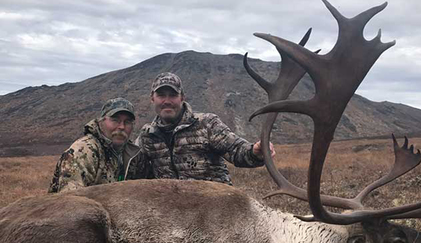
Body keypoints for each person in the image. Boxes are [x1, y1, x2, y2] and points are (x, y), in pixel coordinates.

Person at [136, 72, 275, 185]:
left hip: (216, 207)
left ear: (182, 97)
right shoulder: (147, 136)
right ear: (152, 99)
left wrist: (254, 152)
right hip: (173, 212)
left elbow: (237, 150)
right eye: (161, 95)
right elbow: (134, 168)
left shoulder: (207, 124)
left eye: (173, 95)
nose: (167, 101)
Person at [49, 97, 148, 193]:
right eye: (115, 120)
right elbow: (71, 201)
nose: (121, 127)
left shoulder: (135, 155)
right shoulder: (83, 152)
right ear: (101, 122)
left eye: (127, 122)